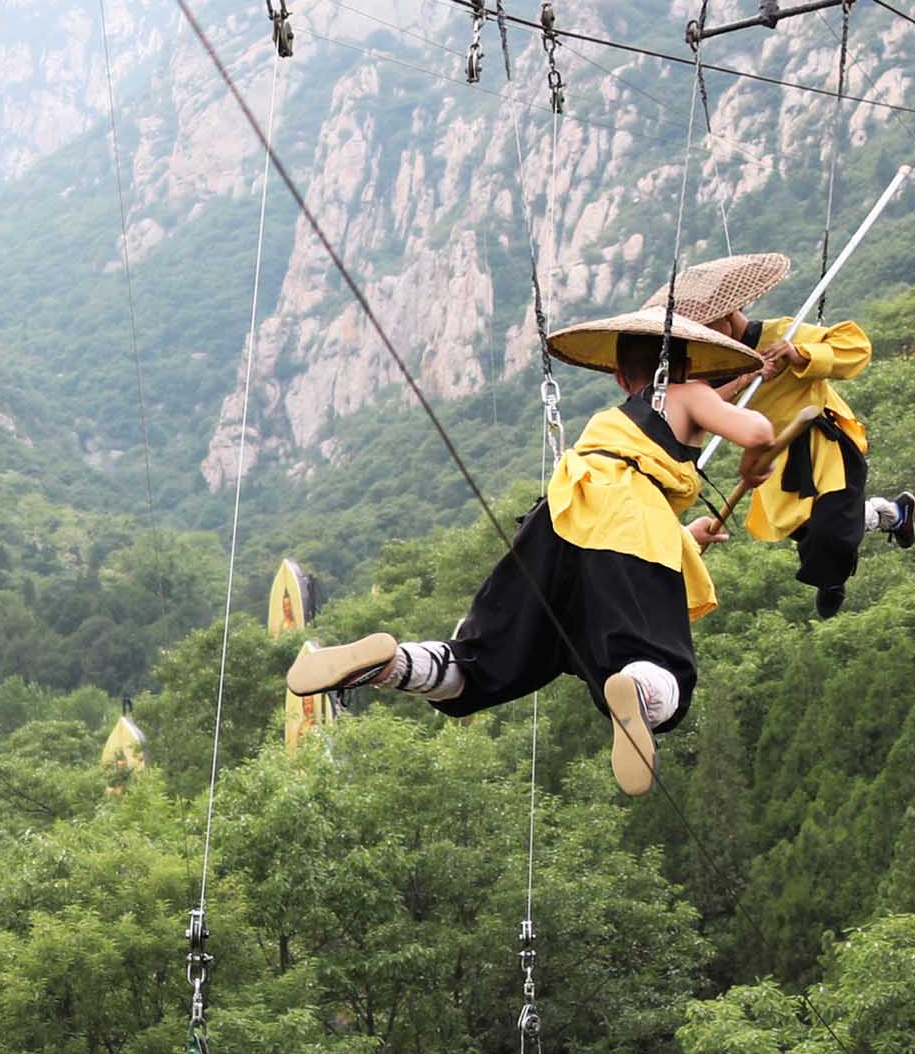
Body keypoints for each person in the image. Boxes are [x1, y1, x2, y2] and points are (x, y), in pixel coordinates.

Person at [283, 304, 777, 797]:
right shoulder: (689, 393)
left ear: (621, 379)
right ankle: (640, 692)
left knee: (483, 664)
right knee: (661, 661)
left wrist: (686, 537)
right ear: (687, 370)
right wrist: (755, 462)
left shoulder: (614, 422)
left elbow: (603, 534)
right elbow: (755, 432)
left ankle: (389, 666)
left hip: (558, 520)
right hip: (628, 521)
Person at [700, 282, 914, 617]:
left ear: (727, 315)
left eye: (707, 324)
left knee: (832, 535)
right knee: (804, 530)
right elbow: (701, 404)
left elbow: (856, 346)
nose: (702, 335)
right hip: (774, 461)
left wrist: (797, 353)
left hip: (825, 445)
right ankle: (894, 514)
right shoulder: (711, 363)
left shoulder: (783, 331)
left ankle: (831, 582)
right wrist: (746, 378)